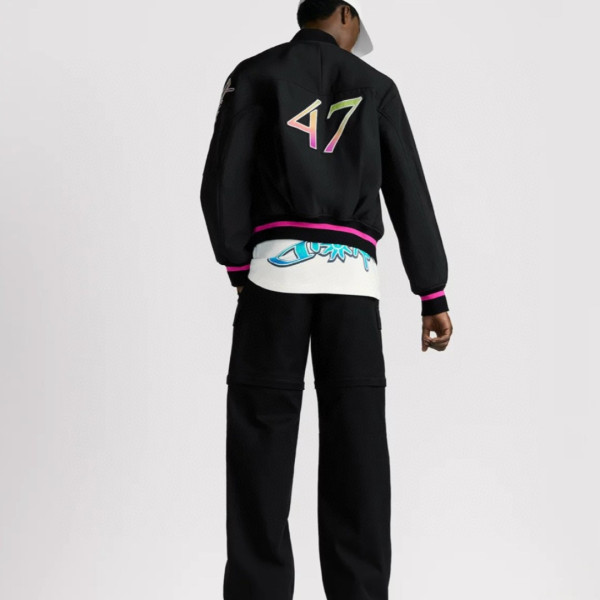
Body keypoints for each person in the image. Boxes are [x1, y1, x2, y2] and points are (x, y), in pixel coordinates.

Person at [199, 1, 454, 598]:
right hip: (353, 285)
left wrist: (237, 262)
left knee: (261, 446)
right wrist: (431, 290)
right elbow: (410, 189)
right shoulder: (376, 87)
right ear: (344, 13)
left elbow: (222, 177)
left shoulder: (254, 75)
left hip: (273, 278)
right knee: (357, 448)